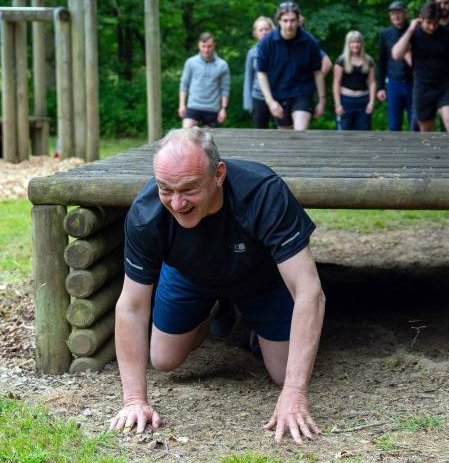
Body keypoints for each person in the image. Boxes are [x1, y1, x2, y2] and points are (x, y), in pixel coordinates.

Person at [109, 127, 326, 444]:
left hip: (261, 278)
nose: (177, 202)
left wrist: (294, 392)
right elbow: (131, 306)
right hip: (190, 276)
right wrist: (134, 401)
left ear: (218, 174)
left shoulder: (263, 192)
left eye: (189, 189)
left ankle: (251, 327)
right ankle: (213, 313)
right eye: (165, 189)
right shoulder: (146, 214)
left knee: (283, 374)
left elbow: (309, 291)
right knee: (164, 359)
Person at [391, 1, 449, 132]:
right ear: (421, 18)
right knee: (426, 129)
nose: (432, 27)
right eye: (428, 23)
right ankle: (432, 153)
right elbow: (396, 54)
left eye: (435, 23)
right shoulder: (414, 34)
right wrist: (411, 29)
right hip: (423, 86)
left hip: (446, 84)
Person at [256, 1, 326, 131]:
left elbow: (318, 72)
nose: (289, 25)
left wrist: (322, 100)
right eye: (285, 21)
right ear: (279, 21)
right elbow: (261, 73)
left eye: (293, 20)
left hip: (302, 93)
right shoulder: (267, 43)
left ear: (298, 20)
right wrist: (270, 101)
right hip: (279, 94)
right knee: (286, 137)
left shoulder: (310, 42)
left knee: (299, 132)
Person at [376, 1, 415, 131]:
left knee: (415, 123)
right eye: (392, 13)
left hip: (414, 83)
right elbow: (381, 61)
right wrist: (380, 87)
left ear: (406, 13)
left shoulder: (415, 31)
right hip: (394, 83)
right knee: (394, 125)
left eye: (398, 12)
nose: (395, 16)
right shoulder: (385, 34)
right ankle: (395, 151)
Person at [178, 32, 230, 128]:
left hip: (212, 108)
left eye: (209, 46)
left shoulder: (222, 65)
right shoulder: (190, 62)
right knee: (186, 133)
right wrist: (181, 105)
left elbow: (225, 88)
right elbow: (184, 85)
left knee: (208, 140)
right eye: (203, 46)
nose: (206, 50)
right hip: (193, 106)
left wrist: (223, 108)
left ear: (214, 45)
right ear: (199, 45)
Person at [333, 30, 376, 131]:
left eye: (358, 42)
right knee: (344, 132)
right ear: (348, 44)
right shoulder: (341, 60)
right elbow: (336, 83)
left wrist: (372, 102)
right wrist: (338, 104)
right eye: (352, 42)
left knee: (364, 133)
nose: (355, 45)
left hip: (363, 102)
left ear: (361, 43)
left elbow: (372, 82)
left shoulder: (369, 60)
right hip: (346, 101)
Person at [243, 17, 275, 129]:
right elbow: (248, 78)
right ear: (255, 33)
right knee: (260, 130)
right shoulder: (252, 53)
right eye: (261, 30)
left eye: (267, 29)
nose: (264, 32)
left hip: (278, 96)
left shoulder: (279, 49)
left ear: (272, 30)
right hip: (258, 97)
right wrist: (248, 103)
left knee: (283, 130)